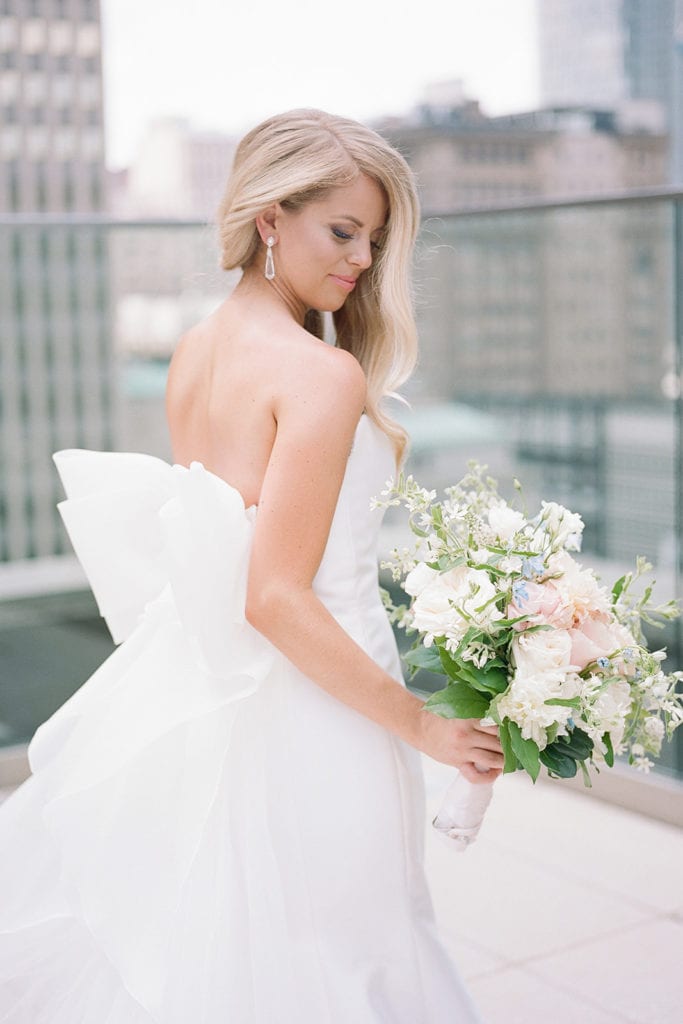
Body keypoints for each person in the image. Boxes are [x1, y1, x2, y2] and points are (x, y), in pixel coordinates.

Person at [0, 108, 503, 1022]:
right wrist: (422, 729)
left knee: (244, 945)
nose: (359, 260)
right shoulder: (320, 374)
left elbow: (223, 558)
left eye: (375, 240)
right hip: (322, 704)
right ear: (270, 218)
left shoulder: (192, 353)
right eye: (341, 230)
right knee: (351, 955)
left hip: (218, 691)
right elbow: (273, 594)